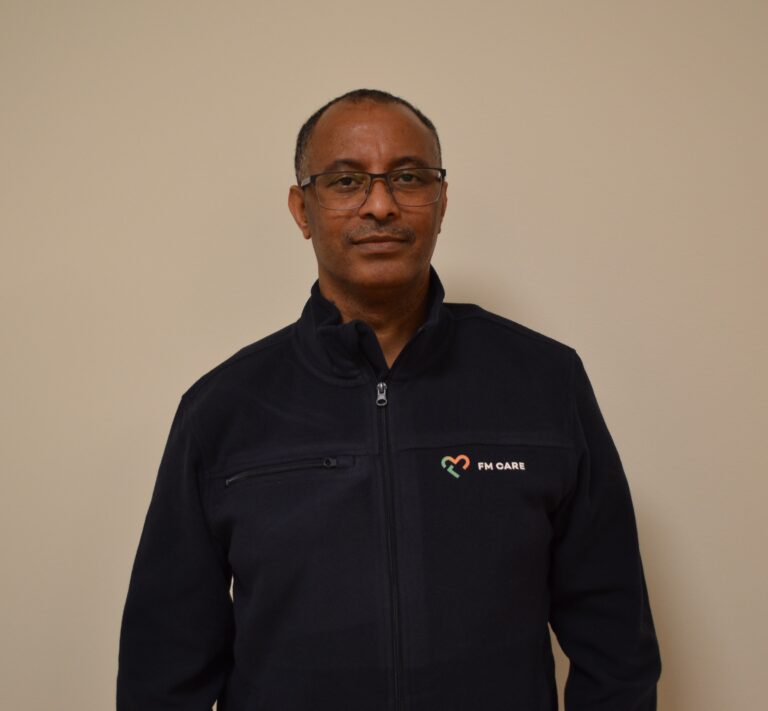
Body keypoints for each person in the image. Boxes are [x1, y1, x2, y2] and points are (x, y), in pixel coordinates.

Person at [117, 88, 661, 710]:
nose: (380, 205)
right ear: (302, 209)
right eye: (346, 181)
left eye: (408, 177)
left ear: (441, 201)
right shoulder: (223, 408)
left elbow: (616, 648)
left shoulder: (545, 382)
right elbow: (163, 669)